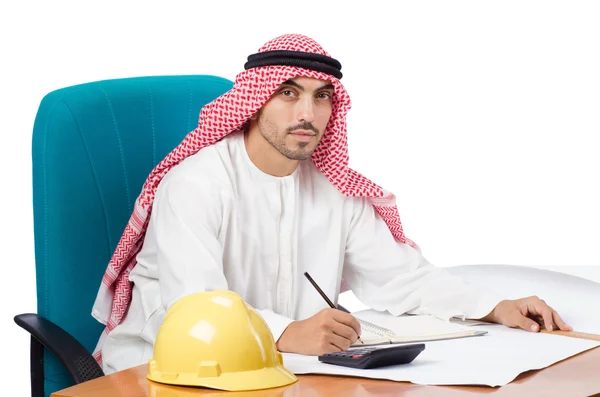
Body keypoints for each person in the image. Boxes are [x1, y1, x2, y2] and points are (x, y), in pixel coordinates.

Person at [91, 33, 572, 374]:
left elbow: (401, 278)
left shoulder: (333, 189)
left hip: (283, 371)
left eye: (322, 97)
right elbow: (198, 308)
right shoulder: (195, 184)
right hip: (164, 370)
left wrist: (493, 306)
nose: (307, 113)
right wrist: (286, 332)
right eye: (288, 94)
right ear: (255, 102)